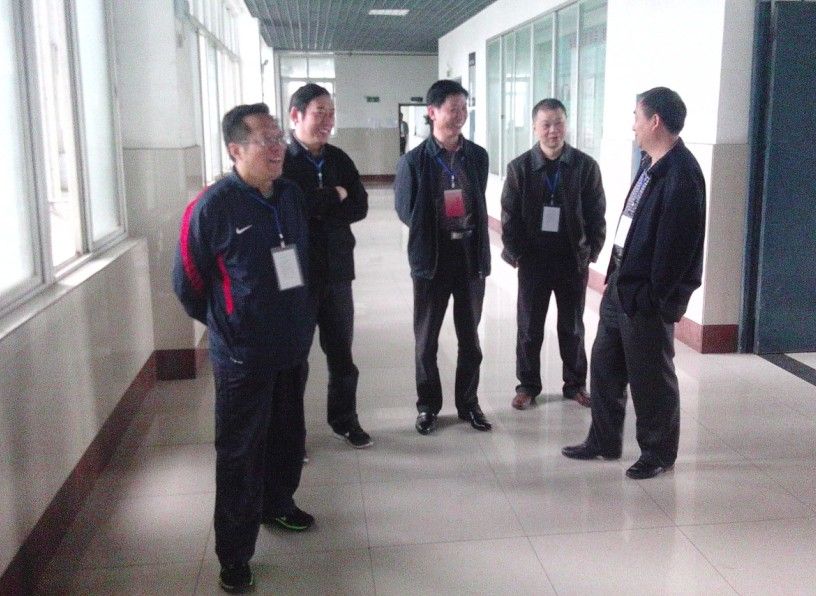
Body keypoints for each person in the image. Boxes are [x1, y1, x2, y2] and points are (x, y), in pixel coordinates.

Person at [173, 103, 316, 593]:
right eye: (265, 140)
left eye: (279, 138)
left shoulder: (290, 195)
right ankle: (234, 555)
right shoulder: (212, 207)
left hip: (291, 345)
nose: (278, 148)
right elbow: (188, 283)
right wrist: (230, 326)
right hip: (242, 355)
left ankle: (278, 504)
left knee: (288, 435)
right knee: (240, 453)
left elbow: (302, 261)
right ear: (235, 149)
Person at [562, 87, 706, 480]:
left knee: (650, 378)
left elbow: (676, 251)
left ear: (654, 121)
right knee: (605, 365)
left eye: (636, 117)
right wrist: (615, 279)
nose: (633, 126)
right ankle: (603, 440)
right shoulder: (650, 163)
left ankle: (658, 453)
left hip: (644, 297)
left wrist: (650, 296)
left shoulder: (681, 175)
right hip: (621, 286)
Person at [395, 79, 492, 435]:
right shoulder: (413, 161)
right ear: (432, 112)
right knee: (426, 341)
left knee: (471, 340)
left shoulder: (477, 156)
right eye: (453, 109)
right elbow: (405, 210)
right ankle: (428, 407)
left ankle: (469, 403)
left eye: (464, 108)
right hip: (431, 260)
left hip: (469, 257)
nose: (460, 115)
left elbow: (477, 200)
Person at [501, 98, 605, 410]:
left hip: (572, 261)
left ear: (566, 125)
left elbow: (597, 214)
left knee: (572, 327)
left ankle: (575, 385)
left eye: (559, 123)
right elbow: (509, 217)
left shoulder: (585, 167)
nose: (553, 130)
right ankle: (527, 386)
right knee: (529, 327)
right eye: (546, 124)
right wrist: (517, 254)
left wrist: (590, 253)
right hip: (533, 262)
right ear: (535, 127)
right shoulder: (519, 168)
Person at [283, 83, 372, 449]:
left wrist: (319, 205)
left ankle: (344, 420)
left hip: (337, 271)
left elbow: (360, 206)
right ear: (296, 115)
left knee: (342, 355)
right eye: (320, 113)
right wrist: (334, 195)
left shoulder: (338, 159)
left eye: (331, 114)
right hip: (296, 274)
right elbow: (290, 211)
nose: (328, 121)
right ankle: (292, 437)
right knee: (294, 360)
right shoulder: (281, 160)